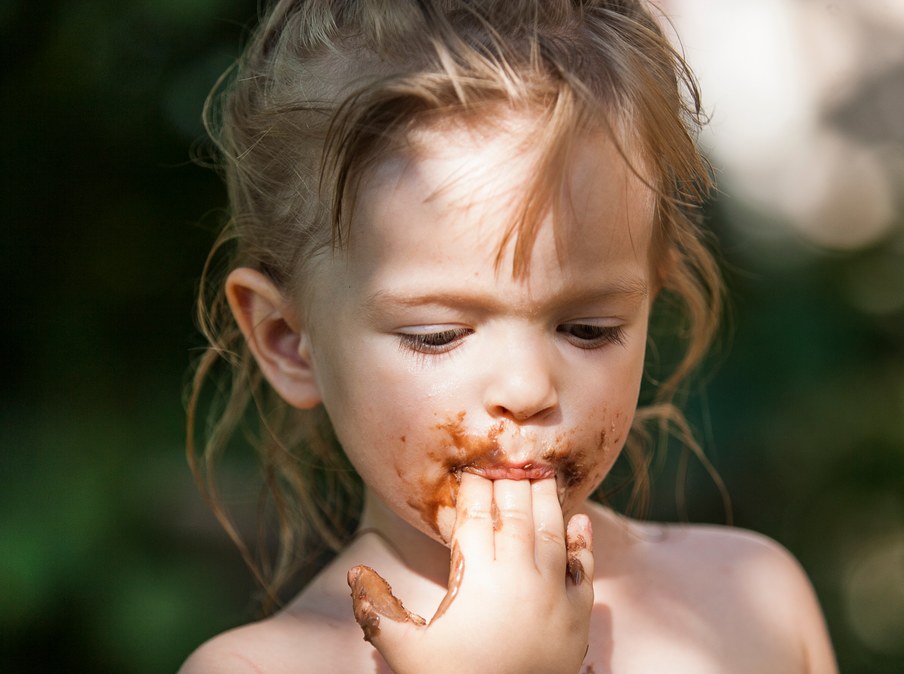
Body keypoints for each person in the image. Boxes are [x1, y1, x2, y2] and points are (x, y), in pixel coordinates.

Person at [181, 0, 838, 671]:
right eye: (437, 335)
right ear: (289, 340)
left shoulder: (752, 599)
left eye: (588, 327)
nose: (526, 389)